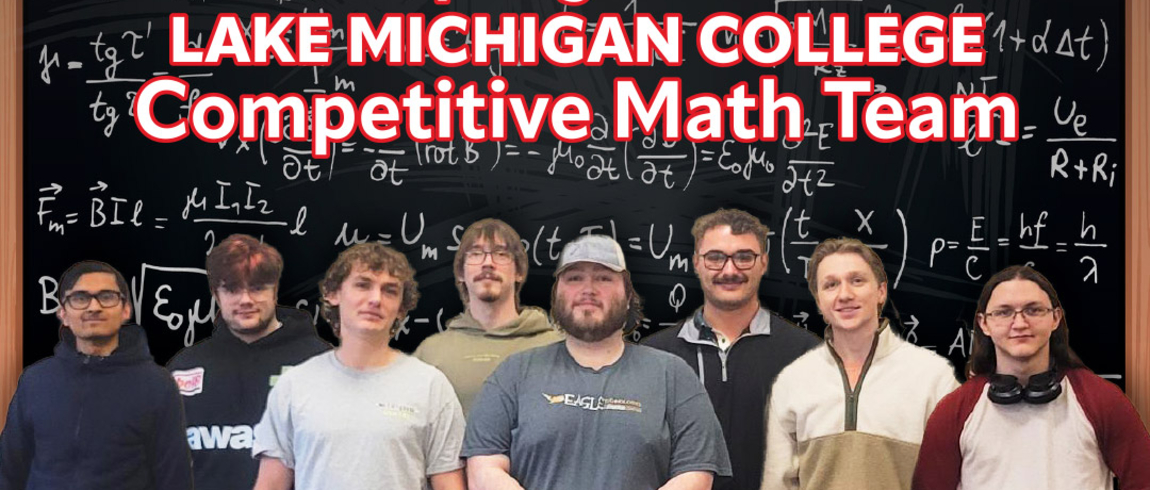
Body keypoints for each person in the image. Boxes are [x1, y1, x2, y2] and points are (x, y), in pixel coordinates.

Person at [463, 234, 732, 490]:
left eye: (603, 278)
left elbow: (695, 476)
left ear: (628, 296)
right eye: (574, 278)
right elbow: (483, 471)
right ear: (557, 294)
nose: (588, 289)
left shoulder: (672, 375)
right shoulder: (514, 373)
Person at [912, 265, 1150, 490]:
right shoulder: (954, 410)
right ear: (984, 323)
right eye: (1004, 312)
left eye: (1033, 310)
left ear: (1055, 318)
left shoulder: (1102, 400)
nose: (1019, 323)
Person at [251, 243, 465, 490]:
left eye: (390, 291)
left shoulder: (431, 386)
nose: (375, 299)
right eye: (363, 285)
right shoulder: (294, 385)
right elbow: (270, 486)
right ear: (334, 294)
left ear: (401, 309)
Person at [762, 238, 959, 490]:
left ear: (881, 291)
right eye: (831, 285)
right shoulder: (793, 382)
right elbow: (777, 483)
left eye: (857, 280)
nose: (845, 294)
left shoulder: (934, 377)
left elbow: (955, 478)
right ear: (819, 301)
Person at [644, 208, 819, 490]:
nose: (729, 270)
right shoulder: (654, 356)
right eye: (715, 257)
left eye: (744, 257)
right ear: (696, 264)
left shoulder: (807, 353)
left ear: (763, 263)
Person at [0, 261, 192, 490]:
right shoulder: (35, 381)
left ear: (126, 310)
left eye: (107, 296)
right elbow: (9, 470)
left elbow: (174, 478)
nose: (94, 307)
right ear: (63, 313)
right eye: (80, 298)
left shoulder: (158, 385)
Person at [167, 234, 330, 490]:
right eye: (232, 288)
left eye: (256, 288)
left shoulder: (320, 363)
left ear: (275, 290)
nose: (245, 300)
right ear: (215, 294)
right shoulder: (184, 367)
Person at [415, 218, 563, 415]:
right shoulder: (430, 353)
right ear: (461, 272)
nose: (488, 263)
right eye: (476, 254)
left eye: (501, 254)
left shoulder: (556, 347)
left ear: (519, 271)